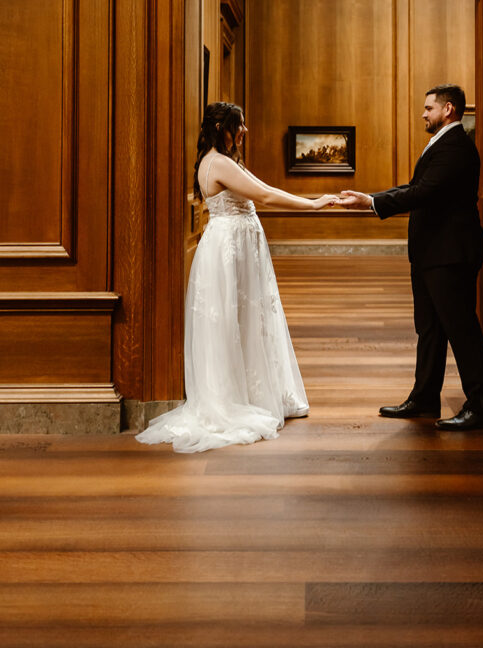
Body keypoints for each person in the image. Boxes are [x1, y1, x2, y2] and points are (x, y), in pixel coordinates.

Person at [136, 101, 339, 453]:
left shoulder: (225, 162)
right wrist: (314, 205)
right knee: (231, 319)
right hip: (228, 249)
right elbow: (264, 196)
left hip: (236, 246)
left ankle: (254, 391)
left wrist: (311, 199)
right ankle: (233, 399)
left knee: (247, 317)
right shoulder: (217, 163)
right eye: (239, 125)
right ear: (221, 129)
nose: (244, 131)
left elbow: (263, 186)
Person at [340, 84, 483, 431]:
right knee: (429, 329)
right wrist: (372, 196)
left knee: (462, 330)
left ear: (449, 110)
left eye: (429, 108)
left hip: (450, 254)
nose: (423, 114)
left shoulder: (456, 147)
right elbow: (416, 187)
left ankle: (481, 407)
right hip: (433, 252)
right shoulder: (444, 143)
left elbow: (423, 192)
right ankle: (425, 398)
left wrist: (371, 202)